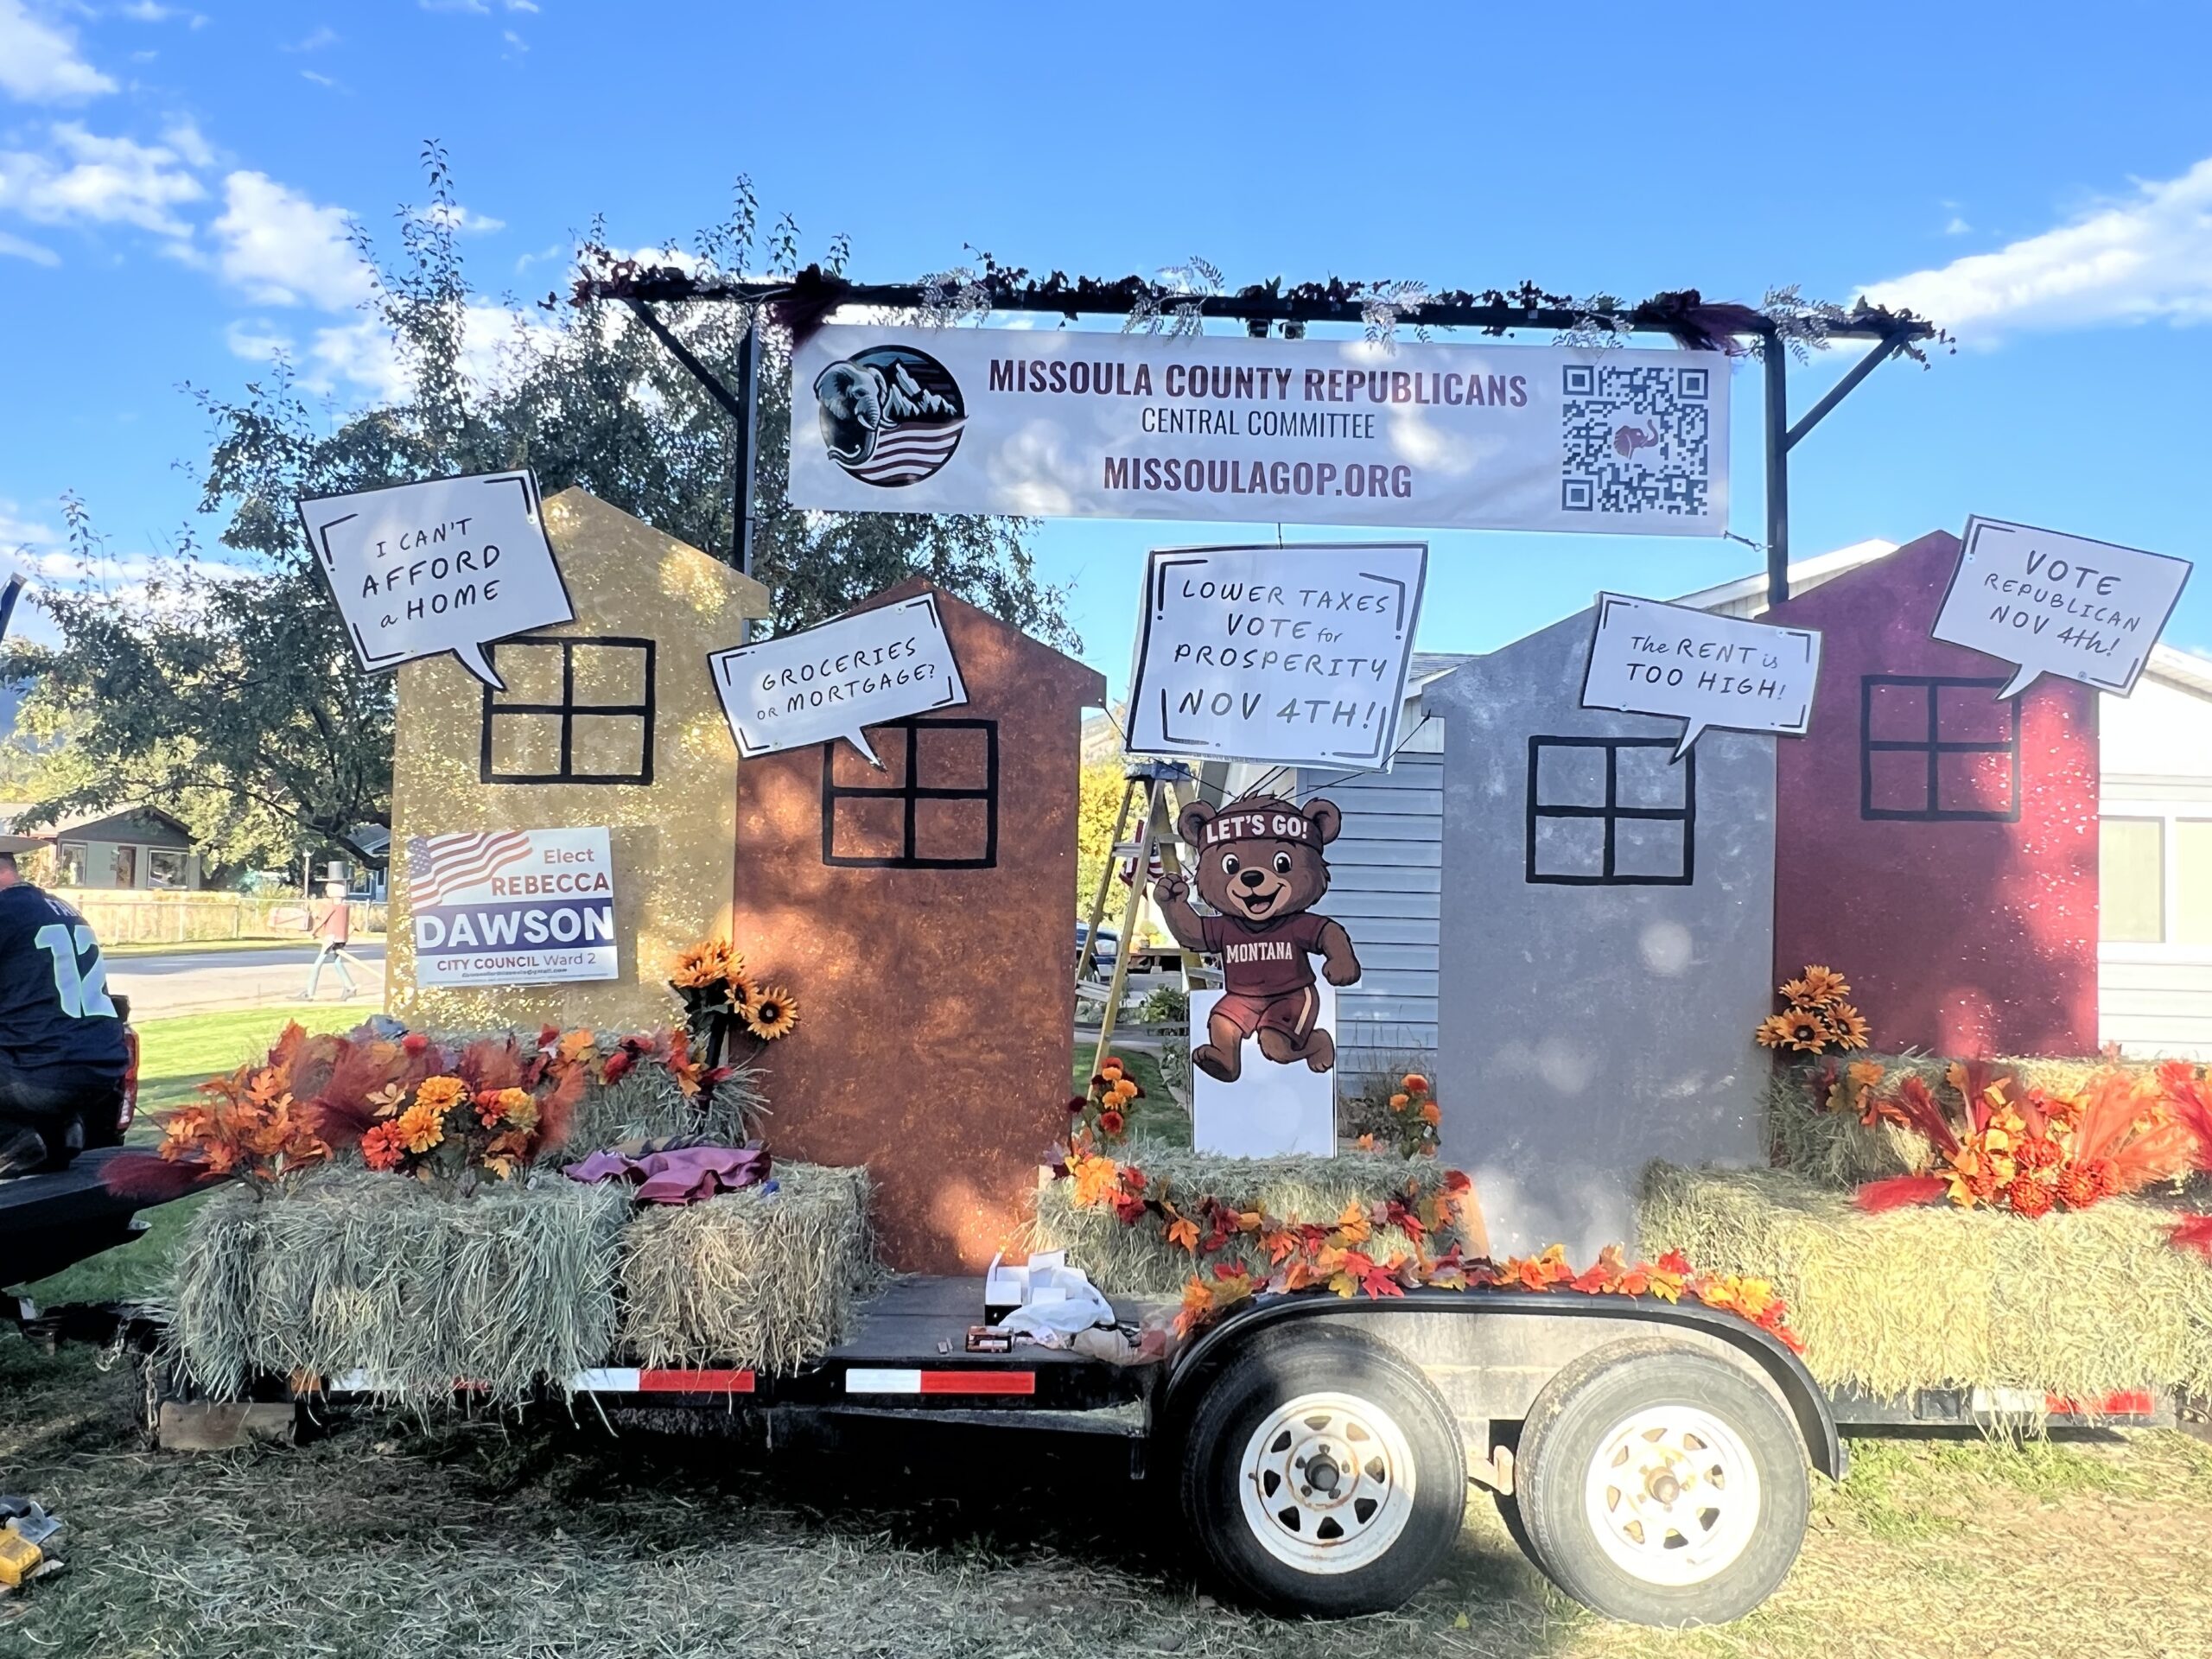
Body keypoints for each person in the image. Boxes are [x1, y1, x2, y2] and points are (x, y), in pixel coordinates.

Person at [0, 852, 128, 1179]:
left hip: (44, 1075)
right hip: (103, 1073)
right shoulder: (62, 909)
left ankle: (12, 1140)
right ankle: (62, 1131)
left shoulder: (5, 912)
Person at [304, 880, 364, 1001]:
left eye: (328, 887)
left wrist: (312, 932)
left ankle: (310, 993)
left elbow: (322, 921)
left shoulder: (331, 907)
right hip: (341, 938)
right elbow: (348, 925)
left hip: (331, 938)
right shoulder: (345, 907)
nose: (326, 889)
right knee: (337, 963)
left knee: (317, 964)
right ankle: (350, 987)